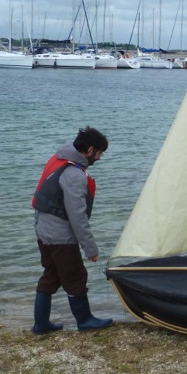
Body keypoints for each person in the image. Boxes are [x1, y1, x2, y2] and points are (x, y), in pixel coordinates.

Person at [31, 126, 114, 333]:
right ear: (90, 150)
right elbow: (77, 216)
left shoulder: (57, 159)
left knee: (51, 275)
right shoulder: (74, 175)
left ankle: (41, 324)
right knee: (76, 276)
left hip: (43, 231)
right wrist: (90, 248)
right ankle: (85, 320)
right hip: (60, 237)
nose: (100, 158)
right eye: (100, 153)